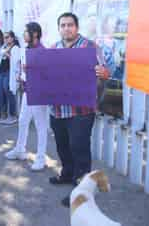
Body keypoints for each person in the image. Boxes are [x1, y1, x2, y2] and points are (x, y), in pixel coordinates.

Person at [48, 13, 110, 207]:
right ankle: (67, 175)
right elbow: (45, 74)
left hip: (81, 111)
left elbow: (105, 71)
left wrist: (104, 73)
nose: (67, 28)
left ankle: (80, 193)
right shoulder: (53, 48)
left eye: (70, 25)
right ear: (59, 28)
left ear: (77, 27)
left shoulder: (90, 48)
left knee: (80, 152)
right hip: (57, 110)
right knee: (62, 147)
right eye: (63, 25)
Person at [4, 22, 48, 171]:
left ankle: (40, 158)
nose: (23, 35)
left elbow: (46, 74)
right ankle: (20, 150)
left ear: (34, 34)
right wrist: (22, 77)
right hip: (28, 91)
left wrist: (30, 71)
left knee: (40, 125)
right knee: (23, 120)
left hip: (39, 92)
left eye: (26, 32)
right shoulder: (26, 49)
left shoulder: (42, 51)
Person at [0, 31, 19, 125]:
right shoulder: (4, 47)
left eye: (8, 37)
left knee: (9, 92)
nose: (6, 39)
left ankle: (12, 116)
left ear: (13, 38)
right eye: (5, 37)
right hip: (2, 72)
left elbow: (16, 62)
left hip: (9, 73)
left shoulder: (16, 48)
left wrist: (7, 54)